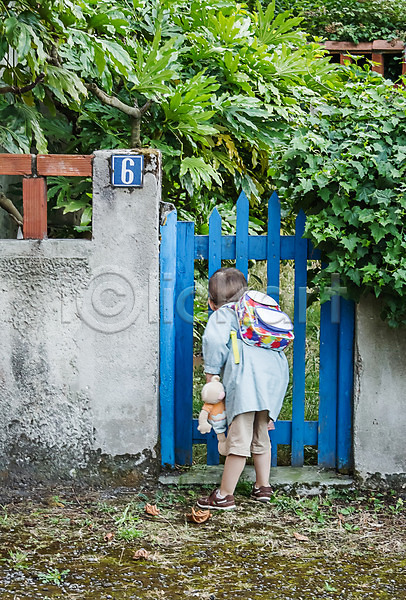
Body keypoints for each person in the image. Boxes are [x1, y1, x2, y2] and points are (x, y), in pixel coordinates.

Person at [196, 267, 289, 510]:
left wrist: (212, 374)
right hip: (273, 381)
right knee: (261, 434)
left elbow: (214, 342)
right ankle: (263, 486)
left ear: (211, 302)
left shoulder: (223, 315)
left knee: (238, 439)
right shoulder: (256, 312)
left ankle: (225, 494)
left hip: (246, 383)